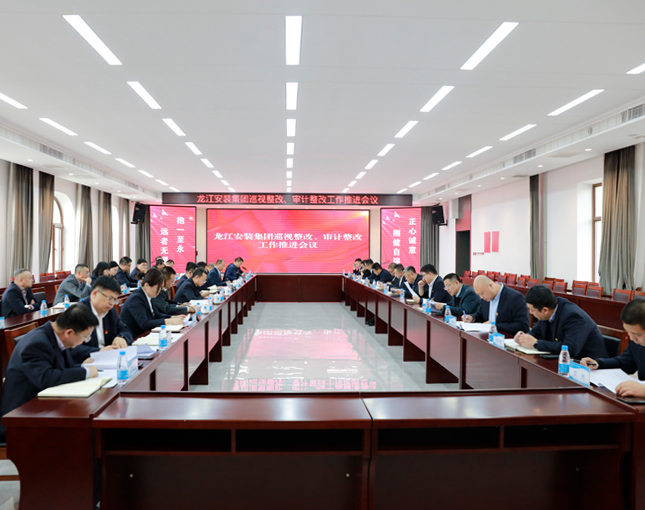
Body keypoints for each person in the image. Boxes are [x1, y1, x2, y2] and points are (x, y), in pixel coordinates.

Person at [0, 304, 99, 439]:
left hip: (43, 406)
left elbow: (59, 369)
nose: (84, 341)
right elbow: (46, 378)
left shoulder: (55, 337)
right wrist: (85, 372)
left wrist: (82, 366)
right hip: (20, 417)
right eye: (85, 337)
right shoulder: (37, 343)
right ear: (69, 333)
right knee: (82, 430)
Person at [515, 285, 607, 359]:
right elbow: (536, 332)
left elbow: (570, 349)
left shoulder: (573, 317)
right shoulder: (549, 309)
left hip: (590, 366)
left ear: (545, 310)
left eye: (532, 310)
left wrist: (536, 344)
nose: (530, 313)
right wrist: (523, 337)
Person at [582, 300, 645, 398]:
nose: (632, 338)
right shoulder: (637, 343)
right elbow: (624, 363)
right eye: (628, 332)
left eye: (637, 334)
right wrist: (598, 363)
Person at [70, 276, 133, 363]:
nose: (112, 303)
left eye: (115, 300)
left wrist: (122, 337)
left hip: (110, 360)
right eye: (109, 298)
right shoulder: (79, 313)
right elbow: (71, 349)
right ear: (94, 294)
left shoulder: (111, 311)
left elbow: (125, 330)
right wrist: (99, 351)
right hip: (88, 363)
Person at [119, 269, 185, 338]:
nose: (159, 292)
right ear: (147, 285)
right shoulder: (135, 299)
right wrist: (169, 321)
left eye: (160, 289)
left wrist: (172, 317)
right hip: (134, 337)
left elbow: (156, 314)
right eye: (158, 288)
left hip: (145, 334)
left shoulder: (148, 295)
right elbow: (144, 324)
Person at [462, 275, 529, 335]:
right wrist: (472, 318)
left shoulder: (515, 298)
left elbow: (523, 326)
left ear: (491, 286)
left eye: (482, 293)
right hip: (486, 338)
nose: (481, 297)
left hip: (506, 339)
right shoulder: (486, 298)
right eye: (479, 294)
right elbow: (481, 315)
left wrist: (494, 326)